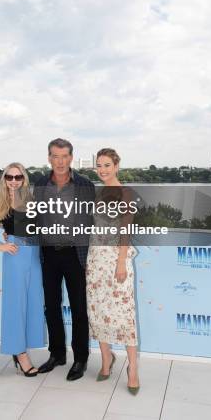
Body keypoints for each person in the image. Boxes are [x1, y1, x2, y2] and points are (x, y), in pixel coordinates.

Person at [0, 162, 45, 377]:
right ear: (4, 179)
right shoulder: (0, 203)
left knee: (33, 304)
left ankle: (24, 347)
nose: (13, 181)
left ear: (24, 179)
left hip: (35, 255)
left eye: (18, 177)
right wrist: (2, 245)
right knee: (16, 307)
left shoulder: (32, 200)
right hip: (15, 258)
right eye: (9, 177)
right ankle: (21, 355)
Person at [34, 138, 95, 381]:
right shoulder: (40, 184)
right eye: (55, 156)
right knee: (51, 307)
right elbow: (32, 218)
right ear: (49, 158)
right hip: (48, 253)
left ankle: (80, 359)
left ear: (71, 158)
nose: (60, 161)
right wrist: (11, 230)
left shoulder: (84, 184)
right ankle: (57, 354)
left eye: (64, 156)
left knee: (79, 309)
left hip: (75, 254)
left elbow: (93, 221)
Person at [86, 148, 140, 394]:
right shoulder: (98, 193)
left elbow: (125, 232)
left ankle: (133, 369)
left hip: (116, 259)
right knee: (97, 309)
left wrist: (120, 263)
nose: (103, 170)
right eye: (99, 165)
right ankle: (106, 360)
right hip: (96, 259)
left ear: (117, 166)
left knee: (124, 314)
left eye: (107, 165)